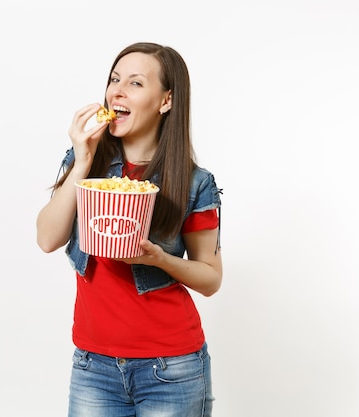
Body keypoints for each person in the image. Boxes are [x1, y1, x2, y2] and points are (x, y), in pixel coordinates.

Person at [36, 42, 223, 417]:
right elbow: (46, 238)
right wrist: (83, 160)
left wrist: (160, 258)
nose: (117, 90)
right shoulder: (85, 160)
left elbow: (210, 279)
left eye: (135, 83)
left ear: (166, 101)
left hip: (172, 369)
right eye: (114, 79)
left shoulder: (193, 182)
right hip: (94, 366)